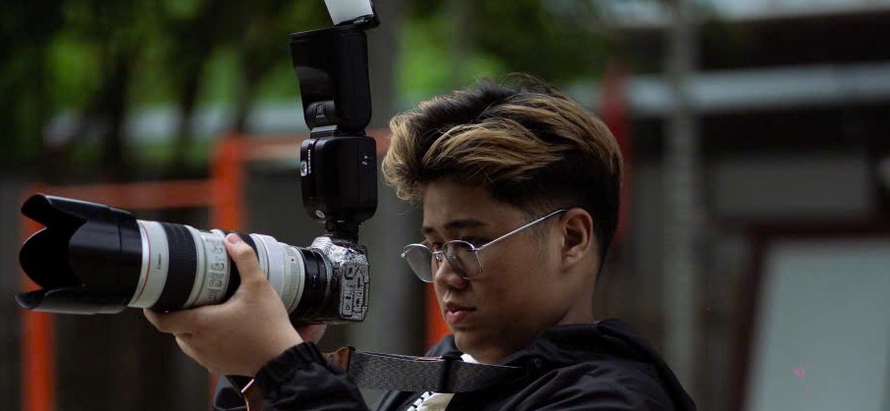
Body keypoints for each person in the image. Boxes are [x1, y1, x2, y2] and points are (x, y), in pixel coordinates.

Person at [145, 74, 697, 410]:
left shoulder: (612, 397)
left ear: (571, 238)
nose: (446, 274)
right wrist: (255, 376)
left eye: (469, 244)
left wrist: (286, 367)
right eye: (434, 247)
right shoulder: (444, 371)